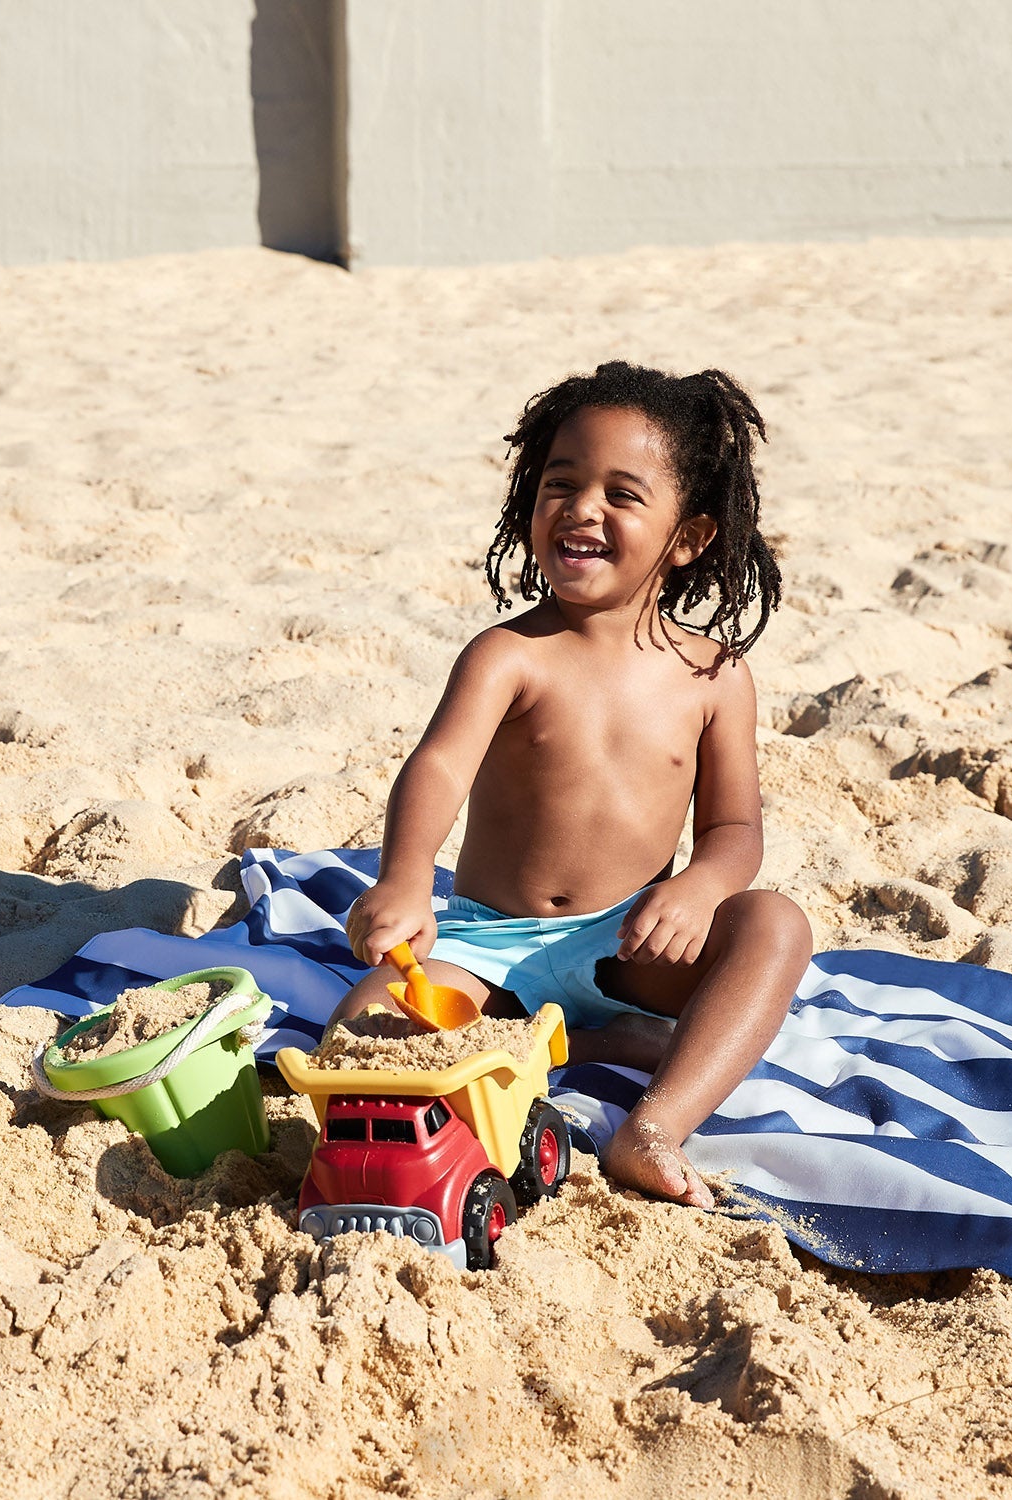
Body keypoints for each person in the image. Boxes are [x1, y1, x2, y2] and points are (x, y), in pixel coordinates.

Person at [335, 361, 813, 1207]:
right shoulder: (509, 655)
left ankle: (653, 1127)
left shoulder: (714, 677)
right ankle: (593, 1046)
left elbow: (735, 831)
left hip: (630, 945)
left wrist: (701, 889)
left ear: (689, 537)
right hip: (489, 944)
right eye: (560, 484)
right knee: (362, 1029)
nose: (582, 507)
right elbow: (439, 764)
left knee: (776, 924)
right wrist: (404, 879)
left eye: (621, 495)